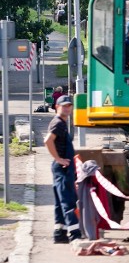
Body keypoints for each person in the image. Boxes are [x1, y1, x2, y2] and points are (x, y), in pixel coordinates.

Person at [44, 95, 82, 243]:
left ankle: (60, 233)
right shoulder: (58, 123)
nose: (66, 108)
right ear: (56, 107)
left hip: (61, 167)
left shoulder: (61, 123)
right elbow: (48, 140)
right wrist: (58, 159)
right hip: (63, 167)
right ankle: (75, 234)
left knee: (60, 203)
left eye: (69, 106)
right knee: (68, 201)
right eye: (63, 106)